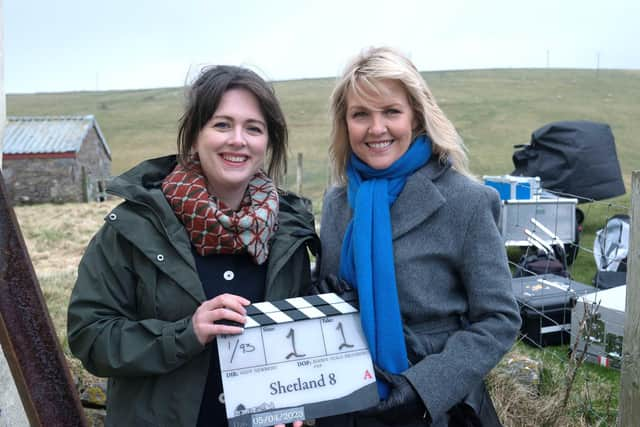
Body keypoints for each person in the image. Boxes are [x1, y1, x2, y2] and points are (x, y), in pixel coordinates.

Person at [67, 65, 317, 427]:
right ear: (195, 134)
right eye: (221, 124)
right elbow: (89, 335)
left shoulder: (290, 234)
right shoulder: (134, 228)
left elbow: (301, 348)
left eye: (253, 128)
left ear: (268, 141)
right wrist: (187, 333)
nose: (238, 139)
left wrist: (295, 407)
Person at [316, 47, 521, 427]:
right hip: (346, 405)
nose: (376, 129)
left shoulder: (467, 202)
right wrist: (326, 299)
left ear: (417, 117)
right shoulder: (337, 202)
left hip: (437, 409)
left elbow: (499, 318)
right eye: (361, 114)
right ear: (345, 124)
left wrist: (424, 388)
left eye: (391, 112)